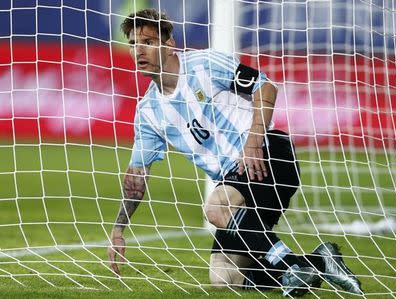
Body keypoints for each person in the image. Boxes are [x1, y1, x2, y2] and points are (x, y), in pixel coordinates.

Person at [107, 8, 363, 296]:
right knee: (225, 277)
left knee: (216, 207)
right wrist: (119, 229)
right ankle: (317, 261)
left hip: (268, 155)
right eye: (133, 44)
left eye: (148, 42)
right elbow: (136, 177)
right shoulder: (148, 112)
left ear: (168, 45)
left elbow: (265, 86)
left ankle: (291, 266)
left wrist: (253, 143)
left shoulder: (204, 64)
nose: (139, 50)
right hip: (236, 184)